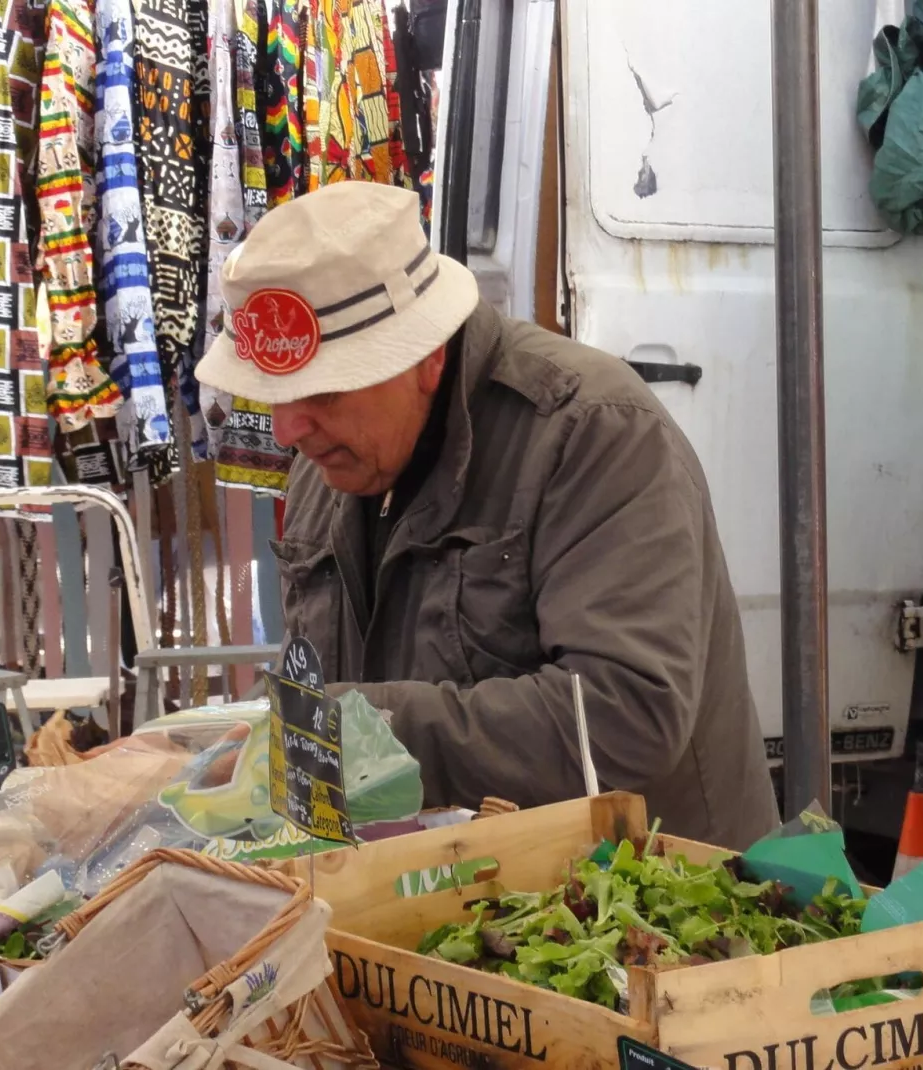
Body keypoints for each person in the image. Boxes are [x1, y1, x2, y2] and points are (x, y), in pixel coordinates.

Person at [195, 181, 779, 848]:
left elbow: (627, 718)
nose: (289, 426)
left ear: (425, 354)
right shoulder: (328, 467)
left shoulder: (595, 432)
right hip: (439, 901)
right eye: (271, 393)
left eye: (322, 389)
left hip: (653, 914)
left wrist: (341, 732)